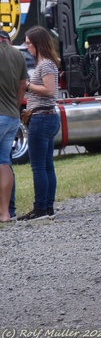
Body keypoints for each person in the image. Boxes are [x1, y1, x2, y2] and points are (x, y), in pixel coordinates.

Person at [17, 26, 61, 221]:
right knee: (47, 165)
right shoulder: (46, 64)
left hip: (42, 118)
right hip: (47, 117)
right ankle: (48, 207)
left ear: (38, 43)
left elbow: (50, 91)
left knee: (38, 166)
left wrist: (26, 85)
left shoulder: (46, 65)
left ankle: (40, 208)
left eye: (28, 43)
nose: (27, 47)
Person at [0, 30, 27, 223]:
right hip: (11, 117)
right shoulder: (17, 53)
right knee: (4, 163)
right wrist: (14, 108)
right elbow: (23, 85)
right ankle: (6, 213)